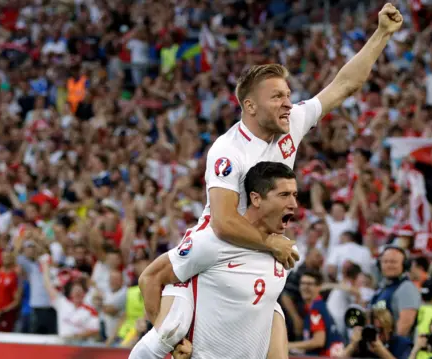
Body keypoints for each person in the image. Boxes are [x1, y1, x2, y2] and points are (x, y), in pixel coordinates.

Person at [143, 3, 404, 357]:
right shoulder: (227, 151)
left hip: (263, 246)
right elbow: (223, 221)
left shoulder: (291, 123)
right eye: (277, 96)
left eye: (288, 94)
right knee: (168, 334)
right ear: (250, 107)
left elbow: (344, 85)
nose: (288, 103)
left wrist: (382, 34)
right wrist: (271, 244)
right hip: (222, 247)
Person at [131, 162, 298, 359]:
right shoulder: (212, 242)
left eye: (295, 195)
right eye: (284, 195)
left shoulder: (286, 253)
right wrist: (172, 343)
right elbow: (150, 278)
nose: (293, 204)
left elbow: (268, 307)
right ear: (256, 198)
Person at [289, 271, 344, 356]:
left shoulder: (316, 309)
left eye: (309, 284)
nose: (305, 287)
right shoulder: (319, 305)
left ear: (319, 287)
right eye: (302, 283)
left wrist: (288, 345)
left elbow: (318, 341)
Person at [370, 245, 421, 338]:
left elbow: (405, 325)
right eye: (385, 261)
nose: (389, 265)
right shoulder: (384, 287)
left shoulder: (407, 288)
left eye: (393, 262)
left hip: (395, 349)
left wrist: (389, 348)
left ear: (404, 265)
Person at [340, 307, 412, 359]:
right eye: (369, 330)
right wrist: (352, 346)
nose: (375, 334)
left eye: (379, 330)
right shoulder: (360, 344)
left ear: (389, 328)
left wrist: (382, 352)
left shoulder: (402, 345)